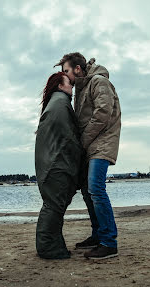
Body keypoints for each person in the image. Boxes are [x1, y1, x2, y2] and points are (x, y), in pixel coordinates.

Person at [55, 52, 121, 259]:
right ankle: (98, 235)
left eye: (66, 70)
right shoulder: (82, 89)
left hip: (102, 143)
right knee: (87, 190)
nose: (64, 75)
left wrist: (82, 143)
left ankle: (109, 242)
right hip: (91, 146)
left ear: (77, 68)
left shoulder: (99, 82)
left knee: (96, 188)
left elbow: (102, 113)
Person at [35, 72, 83, 259]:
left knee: (53, 206)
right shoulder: (61, 104)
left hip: (50, 164)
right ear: (60, 86)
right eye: (68, 83)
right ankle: (48, 249)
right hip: (56, 165)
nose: (72, 86)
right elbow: (68, 137)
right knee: (54, 207)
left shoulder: (54, 104)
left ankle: (51, 246)